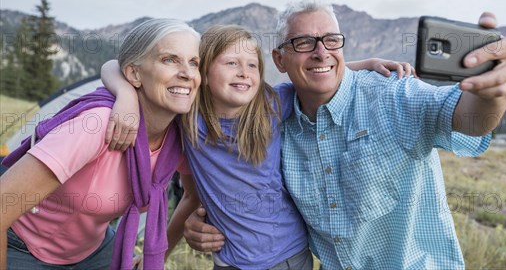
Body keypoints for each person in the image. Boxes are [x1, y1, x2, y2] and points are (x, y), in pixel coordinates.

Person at [186, 2, 506, 269]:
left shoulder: (394, 96)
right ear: (280, 59)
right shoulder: (275, 120)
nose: (321, 51)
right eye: (304, 43)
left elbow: (467, 118)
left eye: (331, 41)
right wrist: (199, 219)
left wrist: (492, 91)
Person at [101, 24, 415, 269]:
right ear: (204, 72)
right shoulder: (188, 115)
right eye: (231, 63)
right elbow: (114, 66)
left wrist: (365, 64)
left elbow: (315, 76)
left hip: (290, 255)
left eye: (252, 65)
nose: (244, 72)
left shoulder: (273, 104)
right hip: (231, 260)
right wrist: (126, 96)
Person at [0, 19, 203, 270]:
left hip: (93, 250)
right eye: (169, 59)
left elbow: (192, 196)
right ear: (134, 74)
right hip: (22, 246)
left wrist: (158, 257)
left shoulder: (180, 140)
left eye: (194, 63)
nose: (187, 73)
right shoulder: (96, 125)